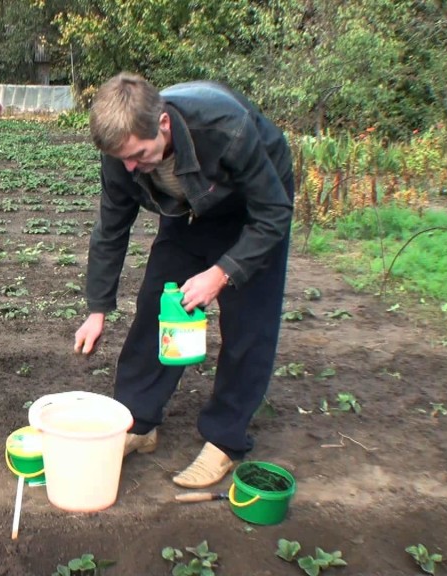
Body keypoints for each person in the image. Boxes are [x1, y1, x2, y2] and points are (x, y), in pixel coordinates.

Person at [73, 73, 294, 489]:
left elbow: (273, 213)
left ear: (163, 125)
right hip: (190, 205)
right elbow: (111, 228)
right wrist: (97, 309)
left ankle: (225, 440)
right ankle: (138, 422)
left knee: (248, 321)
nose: (131, 167)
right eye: (124, 159)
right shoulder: (122, 149)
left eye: (138, 155)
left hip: (255, 206)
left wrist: (222, 273)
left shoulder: (226, 129)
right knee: (160, 301)